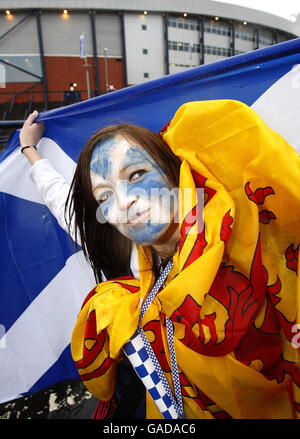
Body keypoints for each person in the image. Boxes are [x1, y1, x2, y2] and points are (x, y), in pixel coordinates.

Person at [20, 100, 300, 419]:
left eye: (137, 173)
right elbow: (61, 202)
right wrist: (30, 151)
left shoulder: (246, 236)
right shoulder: (126, 247)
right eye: (105, 197)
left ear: (171, 170)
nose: (124, 202)